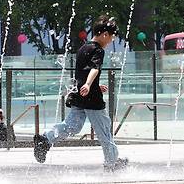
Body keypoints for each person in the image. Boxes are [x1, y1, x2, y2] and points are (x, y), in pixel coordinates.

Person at [33, 15, 128, 172]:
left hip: (79, 95)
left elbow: (82, 72)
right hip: (91, 98)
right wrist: (90, 85)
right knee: (104, 130)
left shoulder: (83, 48)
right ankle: (112, 163)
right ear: (104, 34)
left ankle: (45, 139)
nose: (110, 42)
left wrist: (95, 85)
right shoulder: (98, 50)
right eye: (111, 38)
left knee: (72, 126)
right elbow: (94, 69)